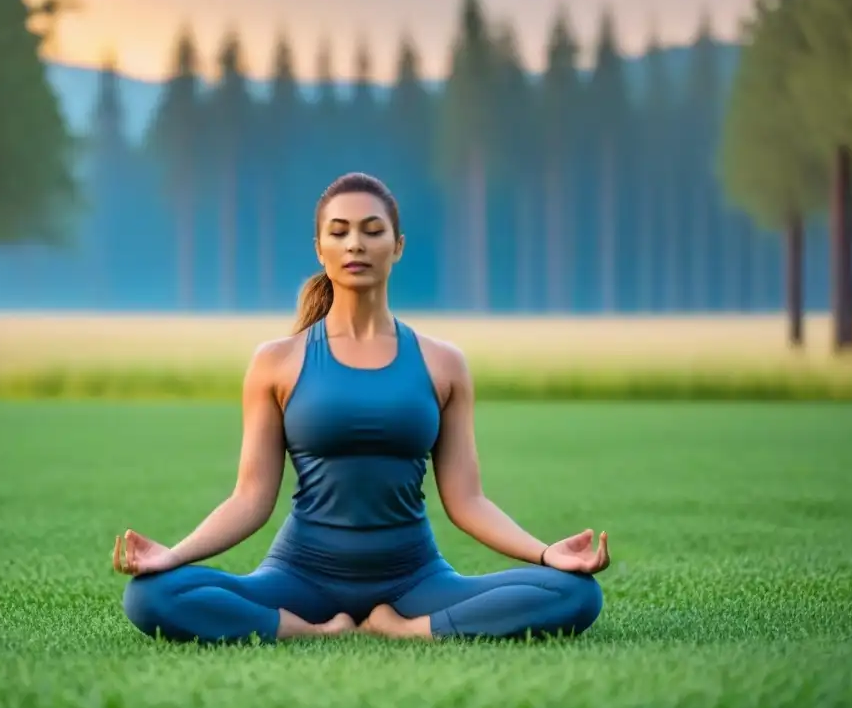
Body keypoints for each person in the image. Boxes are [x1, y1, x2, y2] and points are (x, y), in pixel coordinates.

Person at [113, 172, 610, 644]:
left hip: (414, 580)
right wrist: (172, 555)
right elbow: (250, 499)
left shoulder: (443, 363)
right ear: (320, 249)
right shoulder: (276, 362)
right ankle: (303, 629)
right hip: (300, 578)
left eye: (373, 231)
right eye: (340, 231)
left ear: (397, 247)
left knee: (575, 594)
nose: (355, 244)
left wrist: (546, 554)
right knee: (152, 595)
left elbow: (467, 501)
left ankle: (408, 629)